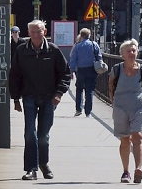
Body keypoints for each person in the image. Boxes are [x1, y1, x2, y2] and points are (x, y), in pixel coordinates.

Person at [9, 19, 71, 180]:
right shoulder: (22, 51)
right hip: (29, 96)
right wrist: (15, 98)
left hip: (49, 98)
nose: (37, 34)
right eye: (33, 32)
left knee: (43, 135)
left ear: (45, 32)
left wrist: (59, 93)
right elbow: (15, 75)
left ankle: (43, 164)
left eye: (39, 31)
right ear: (28, 33)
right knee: (30, 133)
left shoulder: (53, 50)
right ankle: (31, 169)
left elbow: (65, 73)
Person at [110, 39, 142, 183]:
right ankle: (126, 171)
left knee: (138, 137)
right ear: (122, 54)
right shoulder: (116, 69)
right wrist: (114, 103)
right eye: (129, 51)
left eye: (134, 51)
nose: (132, 53)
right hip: (121, 107)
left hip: (139, 106)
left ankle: (138, 169)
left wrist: (141, 103)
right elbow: (111, 87)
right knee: (125, 139)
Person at [67, 28, 103, 117]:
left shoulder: (77, 46)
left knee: (79, 89)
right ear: (89, 35)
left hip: (81, 70)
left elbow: (73, 59)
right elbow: (99, 57)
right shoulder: (94, 44)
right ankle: (88, 111)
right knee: (89, 90)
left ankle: (79, 109)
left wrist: (71, 70)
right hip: (91, 69)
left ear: (81, 35)